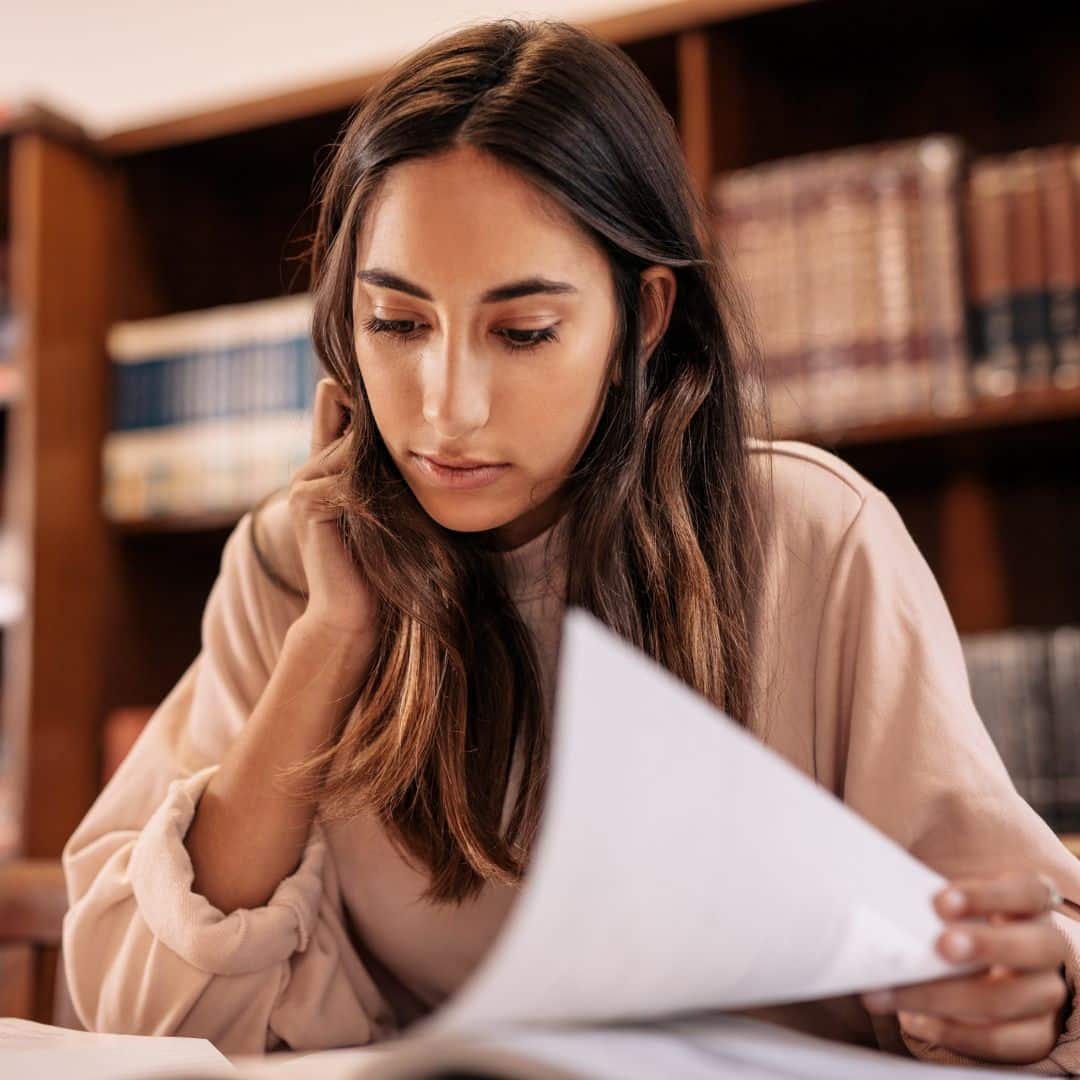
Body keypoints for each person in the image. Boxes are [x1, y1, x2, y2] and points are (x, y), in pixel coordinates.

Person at [61, 16, 1080, 1071]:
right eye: (398, 325)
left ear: (641, 319)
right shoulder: (294, 562)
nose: (446, 409)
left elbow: (1027, 954)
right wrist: (332, 638)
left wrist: (1020, 990)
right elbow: (141, 1020)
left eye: (523, 332)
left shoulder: (813, 540)